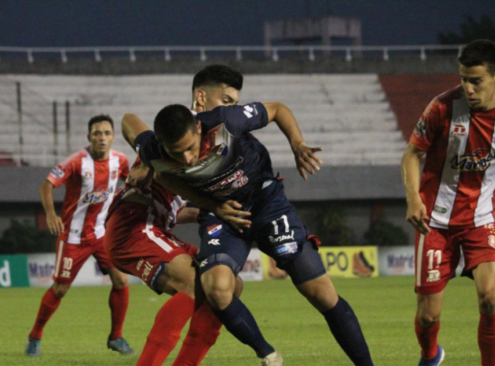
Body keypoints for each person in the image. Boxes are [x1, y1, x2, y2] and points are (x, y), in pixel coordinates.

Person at [122, 65, 374, 366]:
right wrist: (206, 202)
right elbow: (132, 128)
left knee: (320, 293)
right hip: (224, 215)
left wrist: (298, 145)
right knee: (216, 287)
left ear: (199, 130)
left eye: (190, 148)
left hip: (267, 203)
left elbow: (278, 109)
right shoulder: (155, 150)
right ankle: (268, 354)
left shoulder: (226, 120)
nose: (187, 158)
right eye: (177, 153)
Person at [401, 39, 495, 366]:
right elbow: (412, 154)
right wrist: (414, 198)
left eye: (476, 81)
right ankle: (430, 356)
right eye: (463, 80)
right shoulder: (441, 107)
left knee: (490, 297)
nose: (468, 88)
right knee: (428, 317)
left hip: (486, 218)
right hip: (435, 222)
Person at [104, 156, 243, 366]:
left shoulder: (199, 158)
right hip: (133, 226)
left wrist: (209, 213)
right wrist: (148, 168)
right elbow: (138, 172)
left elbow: (174, 214)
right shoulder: (167, 146)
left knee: (227, 284)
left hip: (156, 228)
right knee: (191, 282)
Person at [25, 115, 133, 357]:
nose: (102, 137)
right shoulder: (76, 162)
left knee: (121, 281)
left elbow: (130, 183)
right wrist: (51, 215)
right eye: (97, 133)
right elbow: (46, 186)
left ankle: (116, 336)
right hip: (73, 236)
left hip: (102, 235)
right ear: (89, 137)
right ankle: (35, 335)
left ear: (113, 136)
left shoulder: (121, 160)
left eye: (106, 133)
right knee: (61, 289)